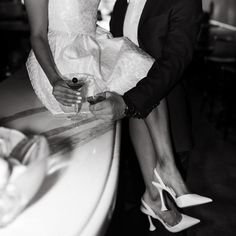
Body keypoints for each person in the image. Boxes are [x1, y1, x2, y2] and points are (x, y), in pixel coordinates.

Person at [23, 0, 211, 233]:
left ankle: (160, 182)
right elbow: (37, 35)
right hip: (60, 58)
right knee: (137, 79)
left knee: (143, 72)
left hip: (93, 46)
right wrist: (55, 80)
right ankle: (159, 184)